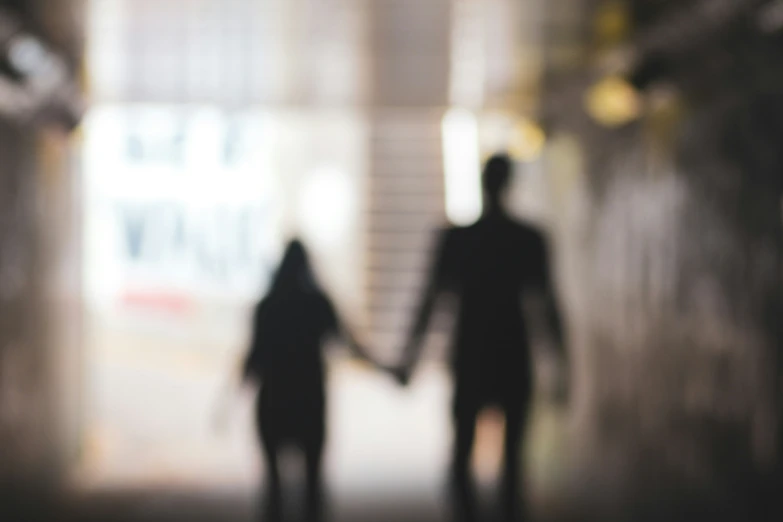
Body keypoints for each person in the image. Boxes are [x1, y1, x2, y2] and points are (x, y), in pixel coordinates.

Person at [393, 154, 569, 522]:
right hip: (511, 353)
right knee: (512, 463)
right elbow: (548, 308)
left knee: (462, 455)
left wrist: (410, 359)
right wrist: (563, 366)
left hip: (471, 354)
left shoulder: (458, 240)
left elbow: (430, 303)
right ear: (509, 184)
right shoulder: (527, 240)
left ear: (483, 183)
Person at [242, 239, 375, 522]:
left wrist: (228, 402)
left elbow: (253, 358)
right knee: (312, 488)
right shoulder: (318, 304)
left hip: (273, 403)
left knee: (274, 487)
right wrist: (388, 368)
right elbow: (349, 343)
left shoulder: (267, 307)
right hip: (309, 403)